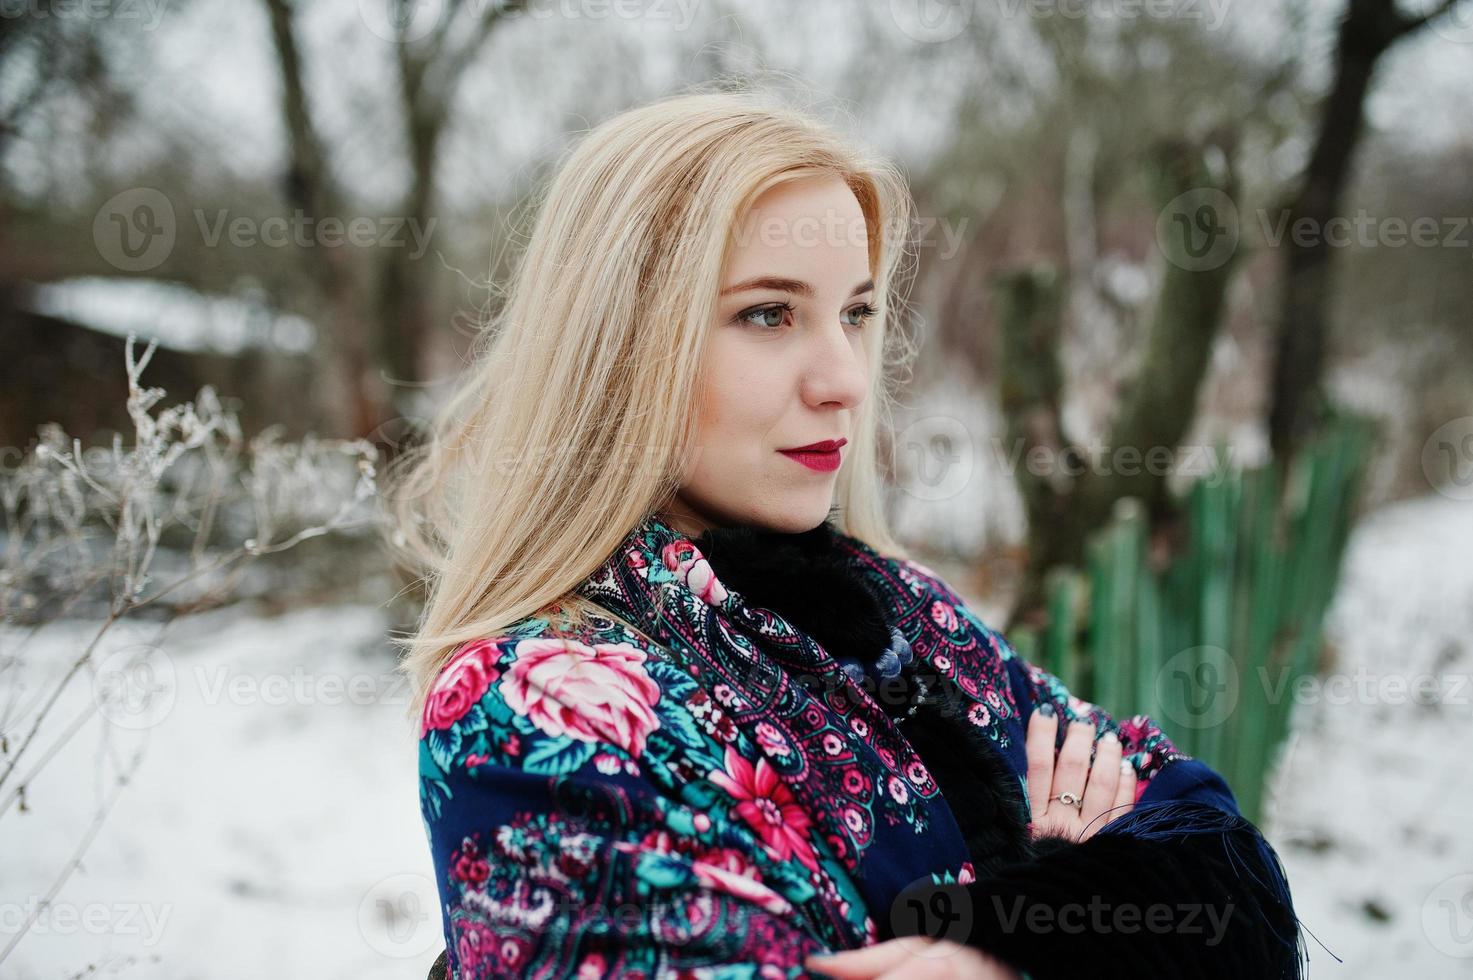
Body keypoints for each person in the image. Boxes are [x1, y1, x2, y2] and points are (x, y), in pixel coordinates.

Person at [389, 88, 1306, 979]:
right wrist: (1079, 899)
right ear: (621, 345)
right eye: (767, 313)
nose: (846, 379)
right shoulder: (536, 704)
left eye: (856, 314)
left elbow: (1229, 876)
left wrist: (1013, 941)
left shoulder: (897, 610)